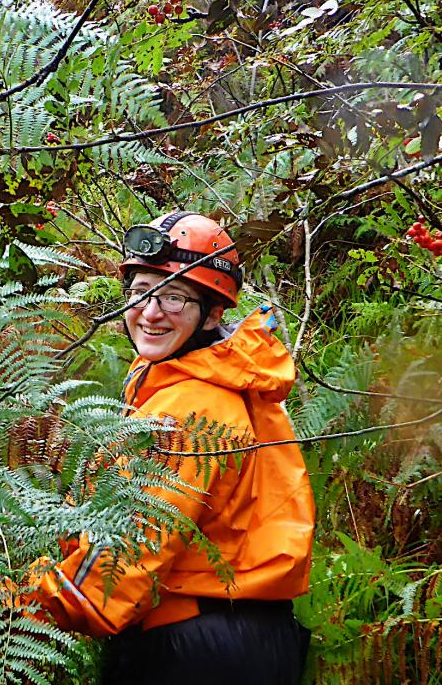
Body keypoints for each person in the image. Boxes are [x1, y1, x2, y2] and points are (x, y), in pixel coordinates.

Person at [25, 211, 315, 685]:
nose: (151, 312)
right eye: (141, 293)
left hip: (199, 649)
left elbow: (131, 549)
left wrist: (24, 603)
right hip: (234, 638)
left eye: (175, 297)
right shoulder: (205, 384)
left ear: (214, 313)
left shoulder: (194, 407)